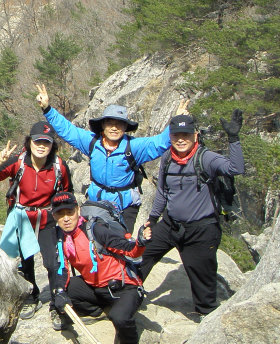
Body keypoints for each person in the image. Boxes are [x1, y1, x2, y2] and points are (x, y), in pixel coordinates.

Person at [36, 83, 190, 232]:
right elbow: (68, 130)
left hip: (125, 205)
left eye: (119, 124)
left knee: (121, 247)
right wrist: (48, 109)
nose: (114, 128)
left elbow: (160, 143)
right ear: (103, 125)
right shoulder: (92, 142)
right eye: (110, 123)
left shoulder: (134, 147)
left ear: (125, 127)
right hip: (97, 201)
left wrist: (176, 123)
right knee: (94, 244)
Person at [139, 110, 245, 318]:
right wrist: (152, 219)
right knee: (142, 253)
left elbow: (235, 168)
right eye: (176, 136)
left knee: (202, 280)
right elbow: (162, 191)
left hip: (201, 229)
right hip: (171, 224)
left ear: (195, 136)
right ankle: (129, 292)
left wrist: (233, 138)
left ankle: (205, 317)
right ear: (170, 137)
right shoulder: (168, 157)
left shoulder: (205, 158)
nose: (180, 140)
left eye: (185, 135)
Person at [0, 121, 73, 330]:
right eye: (38, 141)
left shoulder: (59, 167)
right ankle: (31, 296)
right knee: (25, 261)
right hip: (22, 218)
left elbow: (67, 193)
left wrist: (67, 219)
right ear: (30, 142)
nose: (41, 146)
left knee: (53, 262)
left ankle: (57, 305)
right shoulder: (19, 163)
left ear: (52, 146)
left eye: (46, 143)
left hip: (47, 219)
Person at [51, 191, 151, 344]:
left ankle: (128, 343)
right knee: (64, 290)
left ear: (78, 211)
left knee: (119, 318)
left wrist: (140, 243)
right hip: (96, 287)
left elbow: (129, 250)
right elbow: (62, 268)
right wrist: (59, 291)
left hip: (124, 287)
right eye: (60, 214)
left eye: (70, 212)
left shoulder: (95, 230)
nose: (66, 218)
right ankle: (99, 311)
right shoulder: (62, 238)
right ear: (54, 217)